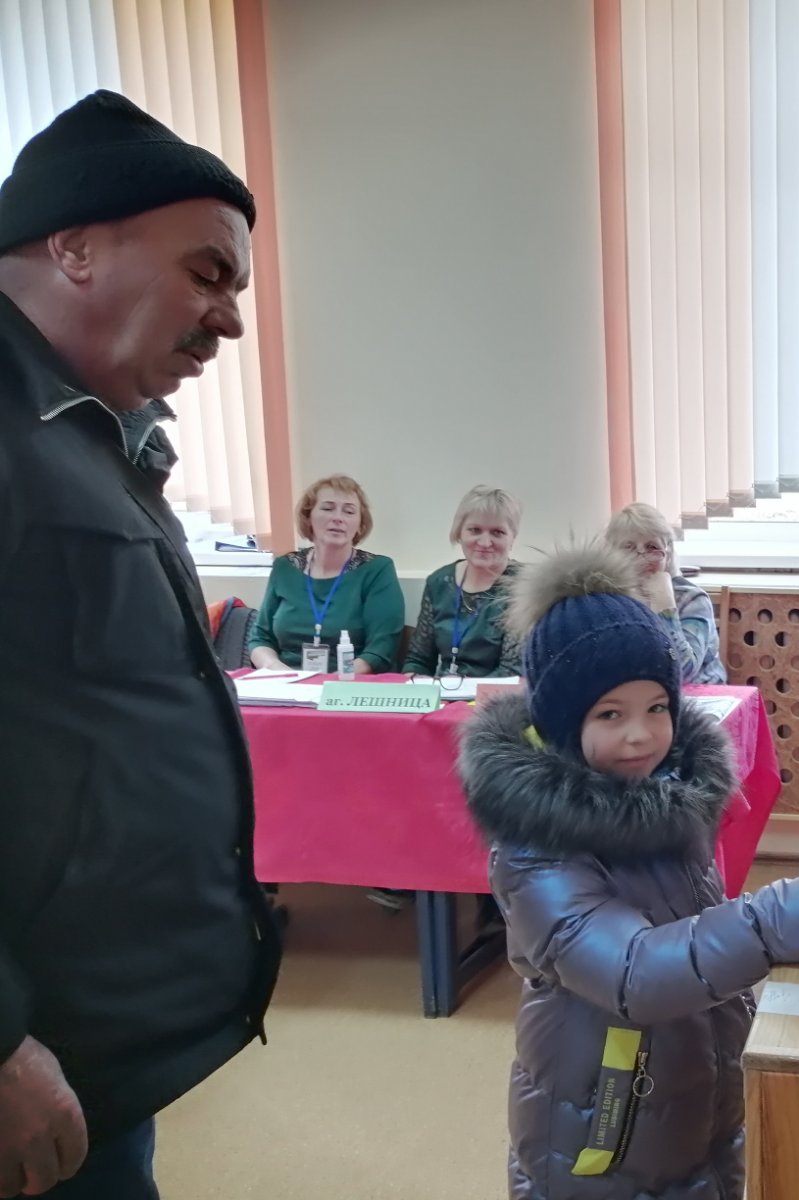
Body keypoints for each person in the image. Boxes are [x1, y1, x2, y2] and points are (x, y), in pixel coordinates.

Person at [0, 91, 280, 1198]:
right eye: (208, 274)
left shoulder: (92, 434)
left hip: (91, 1040)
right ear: (73, 245)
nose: (230, 323)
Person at [459, 541, 799, 1199]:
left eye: (657, 708)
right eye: (610, 714)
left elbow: (700, 934)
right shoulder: (537, 850)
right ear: (560, 723)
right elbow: (635, 973)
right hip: (603, 1131)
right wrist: (777, 919)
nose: (641, 734)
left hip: (695, 1092)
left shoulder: (662, 803)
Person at [247, 474, 405, 674]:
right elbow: (260, 638)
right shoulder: (285, 568)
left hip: (349, 682)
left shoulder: (377, 570)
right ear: (308, 518)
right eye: (328, 508)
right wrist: (280, 672)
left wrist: (331, 681)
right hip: (285, 680)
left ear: (360, 525)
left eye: (349, 511)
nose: (338, 518)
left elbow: (380, 649)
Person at [403, 485, 523, 678]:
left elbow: (511, 672)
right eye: (475, 530)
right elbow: (419, 660)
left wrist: (460, 693)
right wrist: (414, 684)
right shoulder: (439, 582)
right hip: (443, 691)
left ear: (512, 537)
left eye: (497, 532)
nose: (484, 543)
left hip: (498, 695)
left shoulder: (524, 587)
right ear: (459, 532)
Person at [604, 502, 727, 684]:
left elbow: (683, 670)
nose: (642, 557)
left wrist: (665, 606)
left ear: (668, 555)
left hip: (697, 693)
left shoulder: (692, 599)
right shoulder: (606, 599)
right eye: (628, 547)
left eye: (652, 547)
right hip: (640, 693)